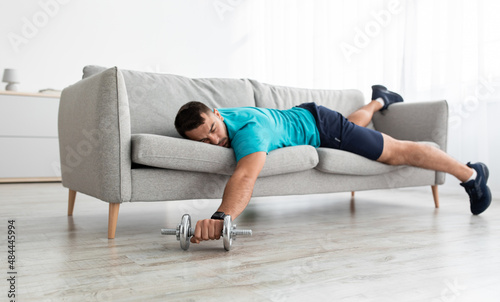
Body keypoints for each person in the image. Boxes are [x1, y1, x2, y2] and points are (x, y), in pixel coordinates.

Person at [174, 85, 492, 245]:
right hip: (307, 118)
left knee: (397, 151)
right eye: (203, 142)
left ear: (216, 113)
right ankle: (380, 99)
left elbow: (245, 175)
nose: (215, 142)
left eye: (213, 131)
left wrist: (221, 217)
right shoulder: (221, 118)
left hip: (323, 126)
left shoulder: (248, 132)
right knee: (356, 127)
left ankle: (472, 174)